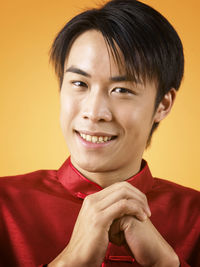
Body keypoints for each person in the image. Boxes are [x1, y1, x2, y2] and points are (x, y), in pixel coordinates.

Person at [0, 0, 199, 266]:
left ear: (163, 105)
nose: (94, 112)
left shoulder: (195, 217)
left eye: (122, 90)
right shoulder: (4, 205)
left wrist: (165, 263)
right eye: (79, 83)